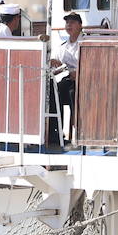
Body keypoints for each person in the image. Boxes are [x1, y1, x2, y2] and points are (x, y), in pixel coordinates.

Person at [48, 12, 85, 145]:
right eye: (67, 22)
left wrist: (79, 73)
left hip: (83, 82)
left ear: (80, 26)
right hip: (67, 80)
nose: (69, 25)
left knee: (71, 93)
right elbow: (55, 67)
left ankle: (79, 132)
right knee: (52, 92)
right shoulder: (62, 47)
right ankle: (56, 131)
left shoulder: (85, 43)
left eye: (73, 22)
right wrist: (54, 63)